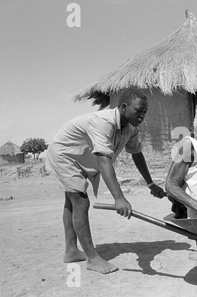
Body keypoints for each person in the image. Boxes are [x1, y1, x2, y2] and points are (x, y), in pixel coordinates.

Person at [46, 88, 166, 274]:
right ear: (124, 107)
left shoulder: (131, 128)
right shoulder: (104, 122)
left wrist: (151, 184)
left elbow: (136, 154)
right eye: (138, 111)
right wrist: (119, 198)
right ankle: (92, 259)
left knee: (72, 202)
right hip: (64, 155)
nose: (142, 116)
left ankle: (71, 251)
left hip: (80, 158)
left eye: (145, 112)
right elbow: (104, 160)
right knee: (80, 201)